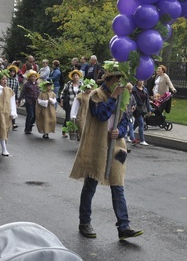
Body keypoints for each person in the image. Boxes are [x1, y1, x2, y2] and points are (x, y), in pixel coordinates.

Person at [69, 63, 143, 240]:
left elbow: (126, 119)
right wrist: (113, 98)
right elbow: (101, 114)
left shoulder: (123, 96)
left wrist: (121, 131)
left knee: (118, 186)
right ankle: (84, 222)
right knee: (91, 185)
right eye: (118, 79)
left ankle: (123, 227)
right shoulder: (96, 95)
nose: (121, 83)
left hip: (116, 146)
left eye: (122, 79)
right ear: (109, 79)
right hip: (97, 146)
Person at [70, 78, 98, 143]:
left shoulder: (94, 96)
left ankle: (86, 144)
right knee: (82, 129)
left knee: (90, 131)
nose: (90, 90)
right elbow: (75, 105)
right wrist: (73, 115)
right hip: (82, 114)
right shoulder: (80, 96)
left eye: (91, 88)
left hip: (91, 115)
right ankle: (82, 142)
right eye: (88, 88)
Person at [61, 70, 83, 138]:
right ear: (72, 77)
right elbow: (63, 93)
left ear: (79, 77)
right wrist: (61, 101)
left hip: (78, 104)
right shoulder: (68, 84)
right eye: (74, 76)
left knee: (77, 119)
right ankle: (64, 131)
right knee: (68, 118)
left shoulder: (81, 84)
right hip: (69, 103)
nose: (75, 77)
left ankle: (77, 133)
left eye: (76, 76)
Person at [130, 79, 151, 146]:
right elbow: (131, 98)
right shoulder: (134, 89)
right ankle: (142, 140)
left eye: (143, 81)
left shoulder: (145, 89)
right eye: (140, 81)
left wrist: (149, 110)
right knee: (141, 123)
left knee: (136, 124)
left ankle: (128, 134)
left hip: (142, 109)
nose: (142, 82)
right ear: (137, 81)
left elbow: (147, 100)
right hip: (136, 108)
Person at [21, 70, 40, 135]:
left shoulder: (37, 84)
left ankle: (30, 125)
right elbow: (23, 92)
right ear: (29, 77)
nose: (33, 78)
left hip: (35, 101)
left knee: (34, 115)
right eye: (32, 77)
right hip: (29, 101)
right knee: (30, 114)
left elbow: (39, 92)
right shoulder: (27, 84)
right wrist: (20, 99)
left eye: (34, 77)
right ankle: (27, 128)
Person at [6, 65, 20, 130]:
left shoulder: (16, 80)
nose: (12, 73)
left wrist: (17, 98)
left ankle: (13, 123)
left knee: (13, 109)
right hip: (6, 96)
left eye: (13, 72)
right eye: (11, 72)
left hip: (13, 96)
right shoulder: (7, 79)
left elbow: (17, 89)